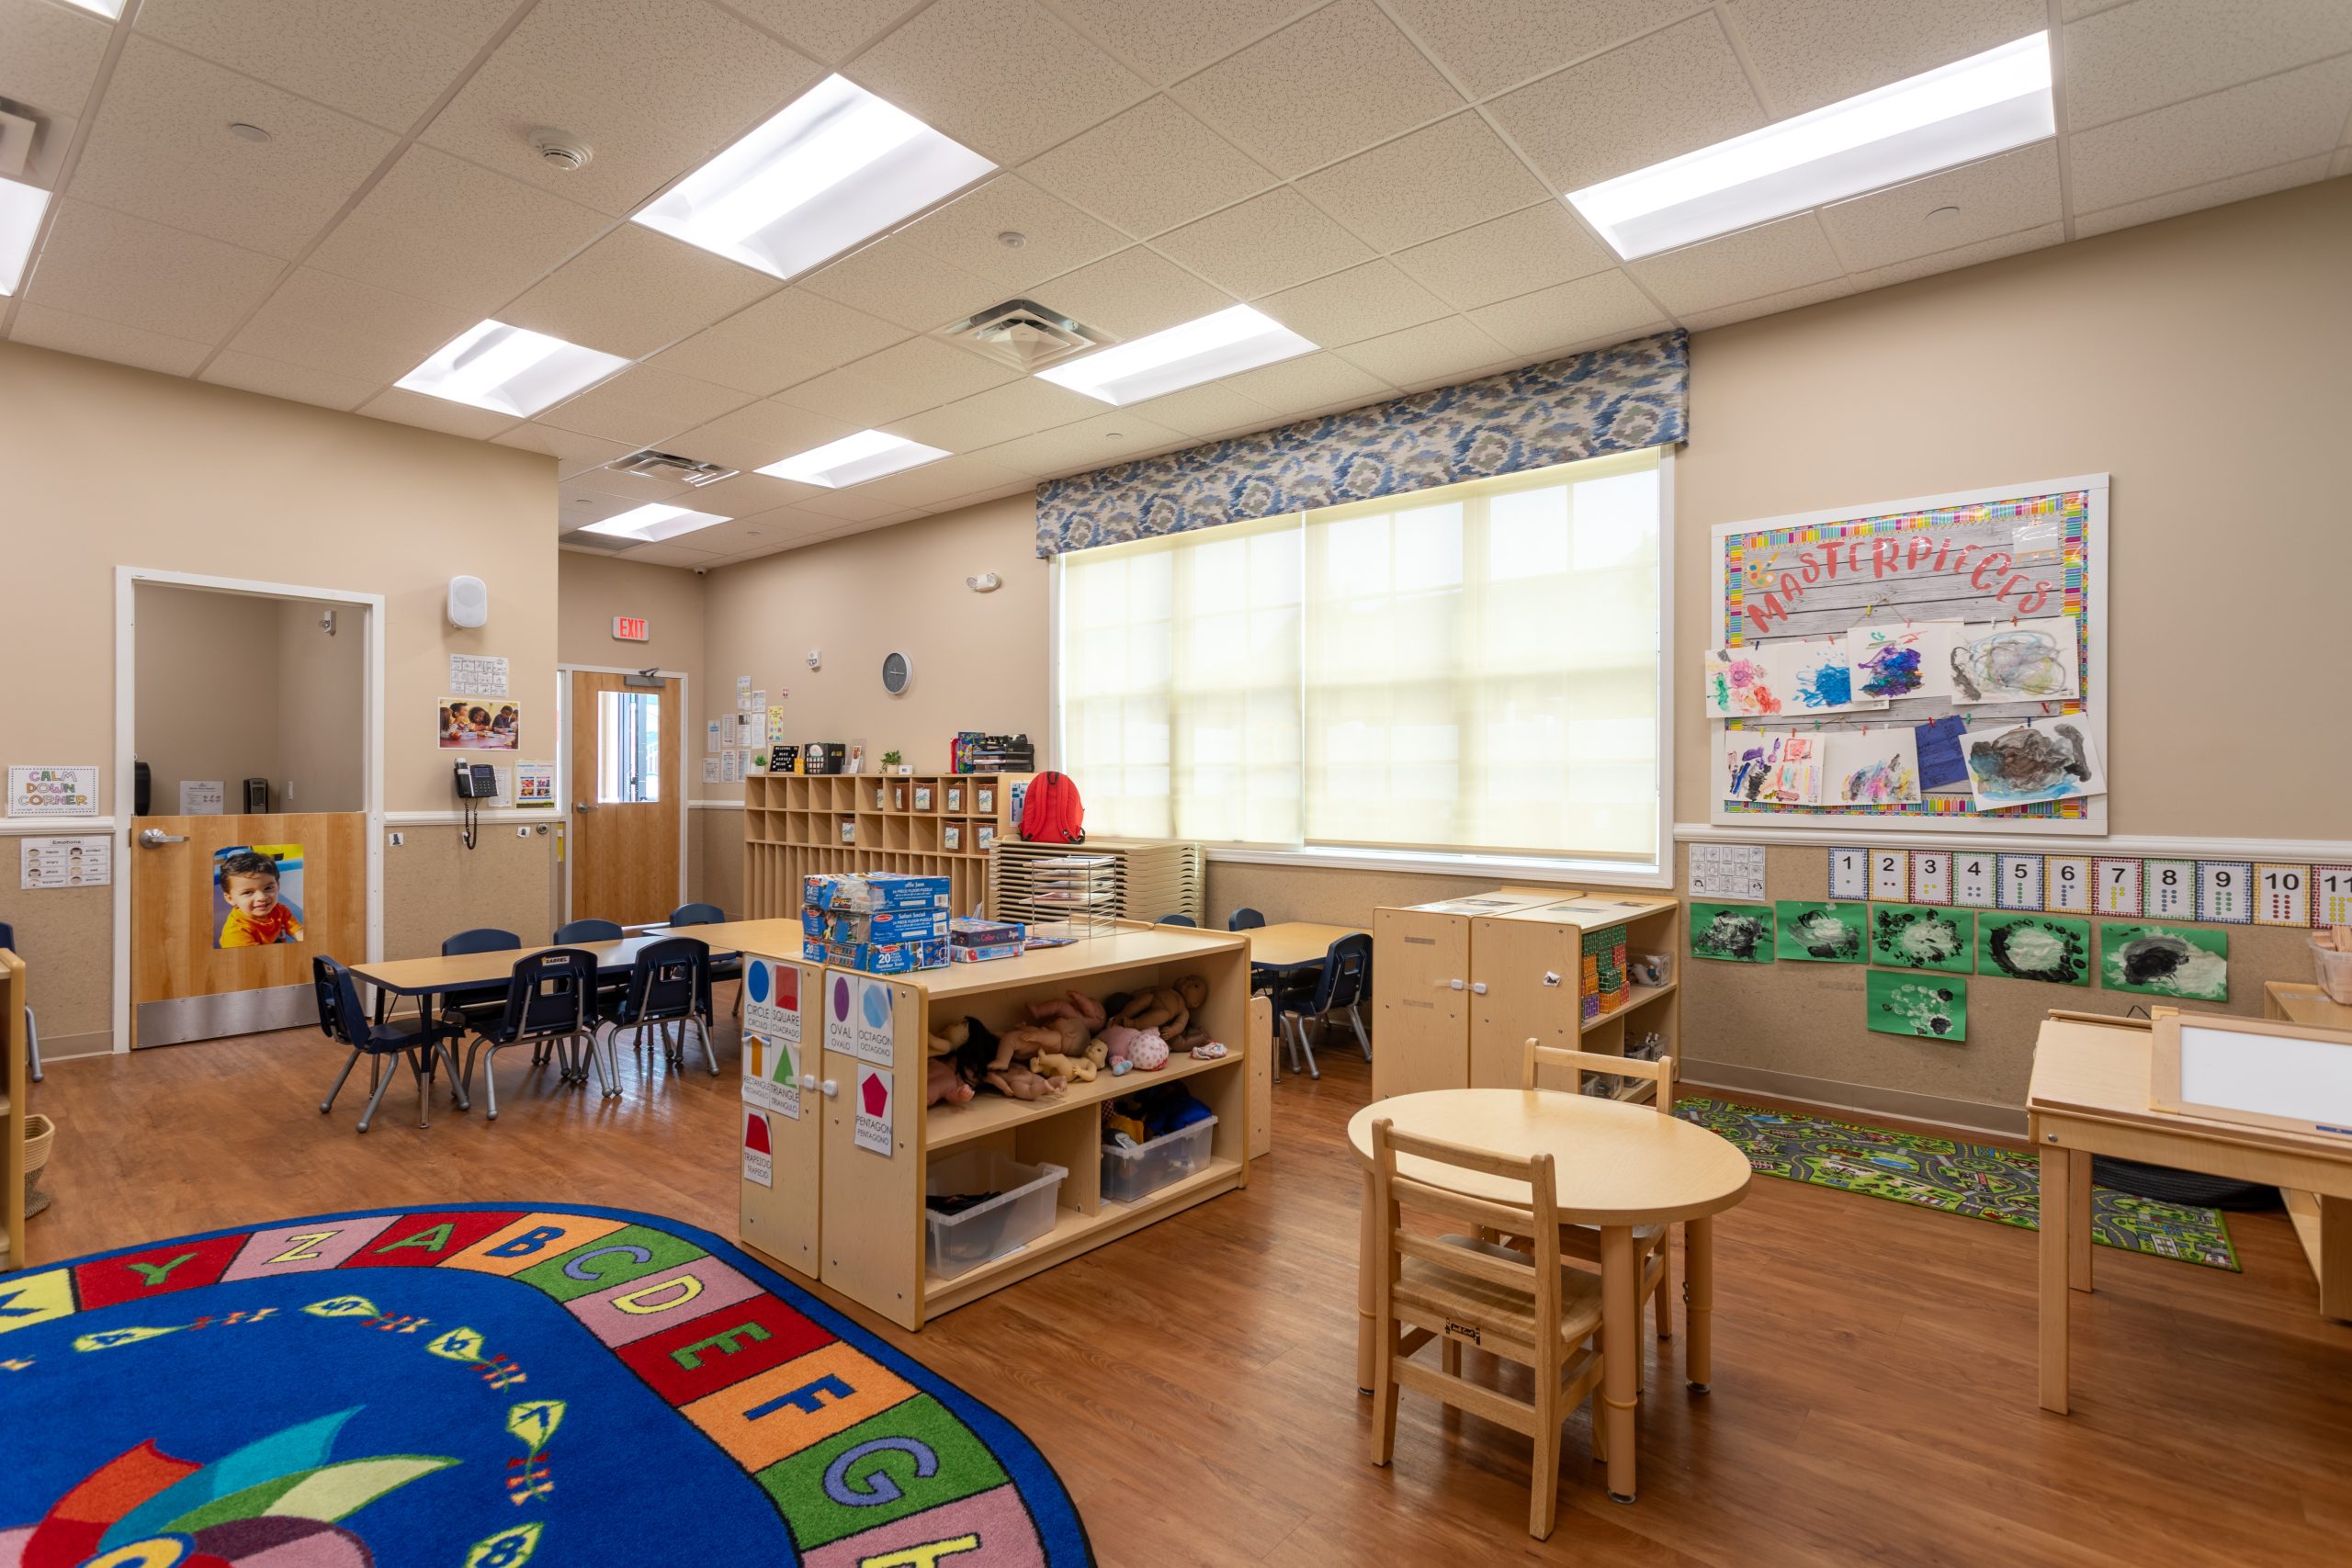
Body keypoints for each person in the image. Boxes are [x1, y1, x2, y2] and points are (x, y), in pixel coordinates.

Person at [217, 850, 302, 947]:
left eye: (268, 888)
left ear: (277, 886)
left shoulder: (280, 910)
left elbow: (299, 933)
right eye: (248, 892)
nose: (262, 897)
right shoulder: (237, 932)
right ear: (230, 899)